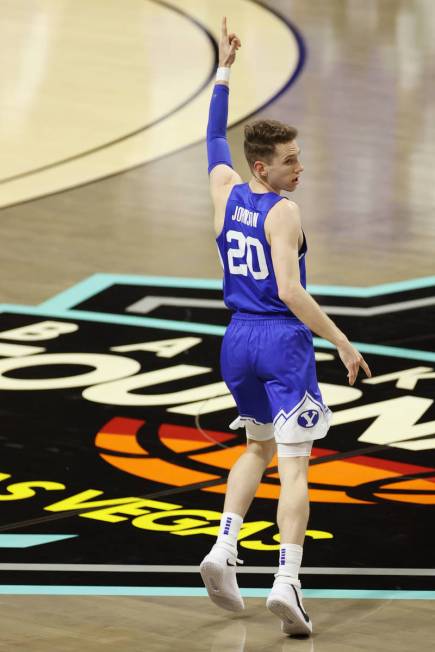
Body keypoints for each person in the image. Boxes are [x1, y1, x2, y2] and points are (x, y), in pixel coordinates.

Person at [199, 17, 372, 637]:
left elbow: (213, 133)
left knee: (254, 447)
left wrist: (224, 68)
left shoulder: (225, 188)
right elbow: (290, 290)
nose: (299, 169)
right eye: (289, 161)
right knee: (295, 467)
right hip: (280, 340)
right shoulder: (284, 212)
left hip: (236, 340)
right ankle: (288, 582)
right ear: (262, 167)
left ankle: (223, 549)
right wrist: (343, 341)